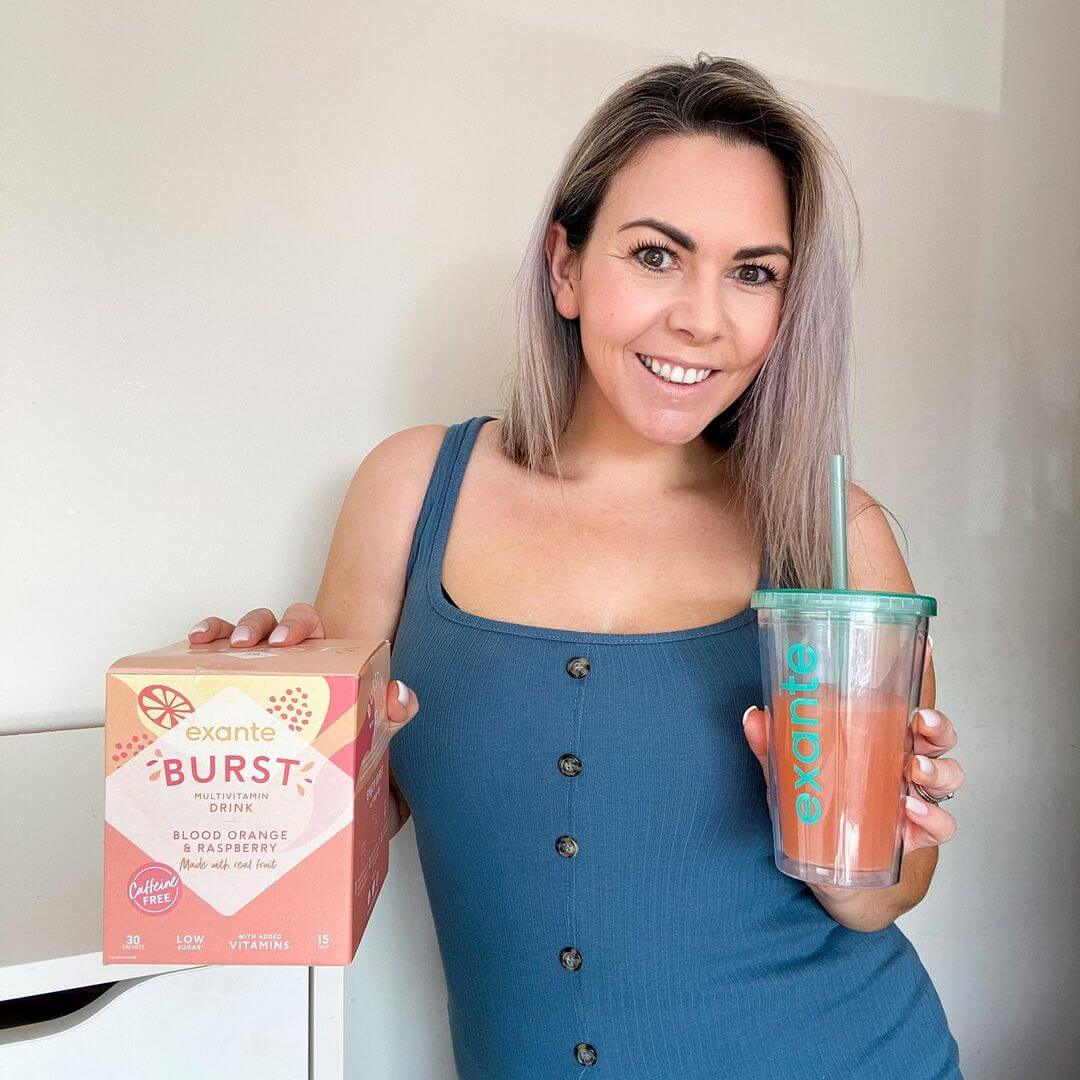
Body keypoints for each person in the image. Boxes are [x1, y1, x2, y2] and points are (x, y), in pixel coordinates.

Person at [188, 54, 964, 1079]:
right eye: (656, 255)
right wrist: (253, 719)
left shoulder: (834, 537)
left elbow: (881, 899)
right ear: (566, 267)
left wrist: (851, 817)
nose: (702, 317)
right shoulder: (410, 491)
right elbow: (328, 850)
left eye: (753, 272)